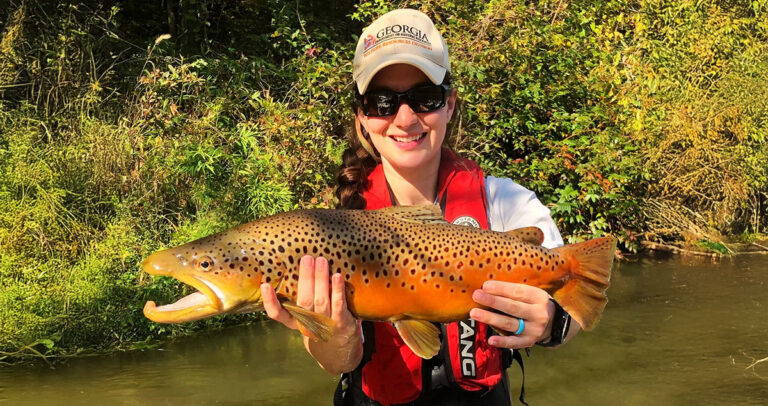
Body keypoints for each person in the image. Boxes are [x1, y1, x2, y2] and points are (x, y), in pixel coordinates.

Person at [260, 8, 579, 405]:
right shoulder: (331, 230)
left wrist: (552, 324)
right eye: (382, 102)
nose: (405, 118)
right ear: (362, 116)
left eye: (424, 98)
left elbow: (577, 299)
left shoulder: (505, 203)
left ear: (449, 104)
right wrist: (335, 336)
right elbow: (338, 361)